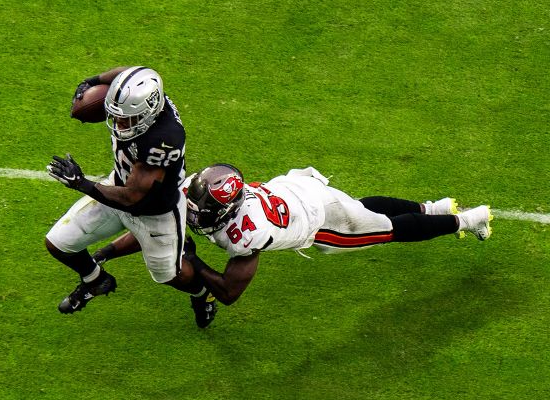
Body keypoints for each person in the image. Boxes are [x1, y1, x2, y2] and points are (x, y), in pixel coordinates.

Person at [92, 163, 493, 323]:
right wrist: (107, 252)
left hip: (317, 221)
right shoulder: (208, 196)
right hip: (297, 188)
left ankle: (465, 219)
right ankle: (433, 205)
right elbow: (163, 226)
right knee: (364, 209)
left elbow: (230, 292)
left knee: (386, 229)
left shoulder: (246, 234)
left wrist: (192, 263)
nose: (193, 211)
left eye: (200, 206)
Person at [44, 66, 212, 319]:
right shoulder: (143, 97)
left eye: (127, 118)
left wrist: (82, 183)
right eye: (117, 115)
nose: (120, 123)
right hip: (117, 187)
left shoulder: (164, 139)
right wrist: (90, 81)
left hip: (155, 211)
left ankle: (202, 294)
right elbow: (129, 73)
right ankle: (95, 280)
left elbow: (134, 197)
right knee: (59, 243)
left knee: (168, 274)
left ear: (150, 111)